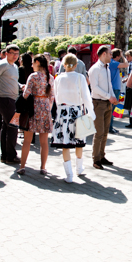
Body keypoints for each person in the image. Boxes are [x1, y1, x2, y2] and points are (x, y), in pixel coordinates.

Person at [52, 53, 95, 182]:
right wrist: (91, 113)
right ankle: (79, 169)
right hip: (77, 111)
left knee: (65, 143)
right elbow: (86, 97)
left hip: (63, 112)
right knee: (79, 142)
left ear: (63, 65)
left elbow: (57, 98)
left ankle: (69, 175)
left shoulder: (58, 78)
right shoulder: (80, 77)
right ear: (76, 65)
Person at [17, 54, 54, 175]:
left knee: (27, 140)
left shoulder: (33, 76)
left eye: (33, 63)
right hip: (45, 109)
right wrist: (47, 106)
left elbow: (26, 94)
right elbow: (52, 96)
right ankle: (43, 167)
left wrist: (23, 89)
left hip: (32, 109)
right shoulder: (50, 77)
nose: (32, 65)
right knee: (44, 142)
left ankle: (22, 166)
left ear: (37, 62)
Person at [89, 46, 118, 170]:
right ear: (104, 54)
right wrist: (109, 96)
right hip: (98, 103)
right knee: (99, 132)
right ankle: (96, 159)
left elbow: (109, 85)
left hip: (107, 103)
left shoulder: (106, 68)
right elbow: (94, 88)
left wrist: (112, 97)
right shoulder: (94, 69)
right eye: (110, 54)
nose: (111, 56)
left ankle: (101, 156)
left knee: (105, 132)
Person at [108, 48, 128, 134]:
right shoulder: (113, 63)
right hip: (114, 88)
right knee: (112, 110)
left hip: (115, 88)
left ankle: (110, 127)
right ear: (118, 56)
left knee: (112, 109)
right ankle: (110, 127)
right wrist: (123, 56)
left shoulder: (112, 63)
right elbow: (126, 64)